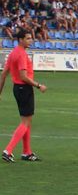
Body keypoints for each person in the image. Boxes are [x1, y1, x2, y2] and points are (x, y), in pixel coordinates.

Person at [0, 29, 47, 162]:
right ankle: (8, 150)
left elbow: (3, 75)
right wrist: (38, 86)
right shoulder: (21, 54)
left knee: (27, 121)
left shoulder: (13, 53)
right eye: (27, 38)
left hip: (17, 89)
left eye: (30, 38)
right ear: (20, 40)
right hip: (24, 89)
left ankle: (27, 152)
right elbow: (23, 76)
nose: (30, 40)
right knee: (25, 122)